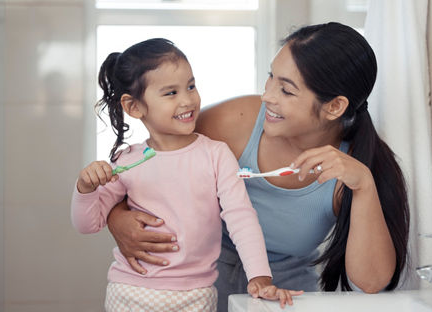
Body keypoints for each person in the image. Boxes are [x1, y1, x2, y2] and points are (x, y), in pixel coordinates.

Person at [106, 22, 410, 312]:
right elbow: (145, 162)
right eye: (271, 77)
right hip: (201, 282)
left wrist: (365, 186)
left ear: (334, 107)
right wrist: (116, 217)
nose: (267, 96)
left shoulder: (352, 170)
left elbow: (370, 283)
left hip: (284, 293)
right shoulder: (234, 121)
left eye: (287, 91)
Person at [70, 38, 301, 312]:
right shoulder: (127, 161)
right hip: (130, 293)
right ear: (134, 107)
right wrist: (84, 188)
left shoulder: (216, 154)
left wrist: (260, 279)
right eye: (171, 93)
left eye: (191, 86)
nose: (188, 100)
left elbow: (241, 217)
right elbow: (87, 224)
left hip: (197, 297)